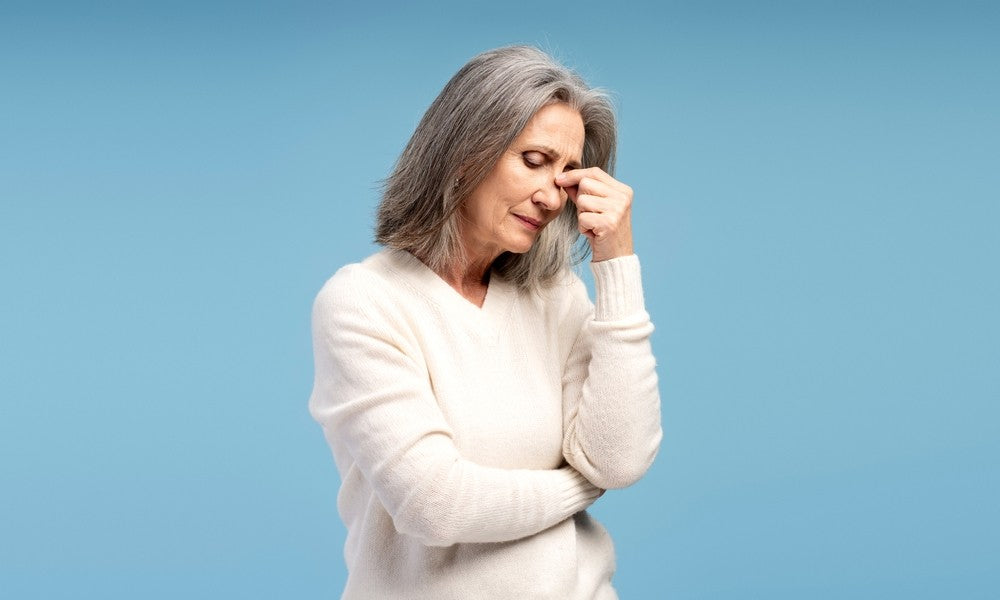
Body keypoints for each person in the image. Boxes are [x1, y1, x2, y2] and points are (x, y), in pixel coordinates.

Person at [308, 45, 662, 599]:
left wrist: (617, 264)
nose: (551, 196)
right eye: (534, 160)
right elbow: (436, 506)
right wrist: (577, 487)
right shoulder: (364, 302)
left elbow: (616, 460)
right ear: (465, 151)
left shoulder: (555, 297)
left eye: (567, 172)